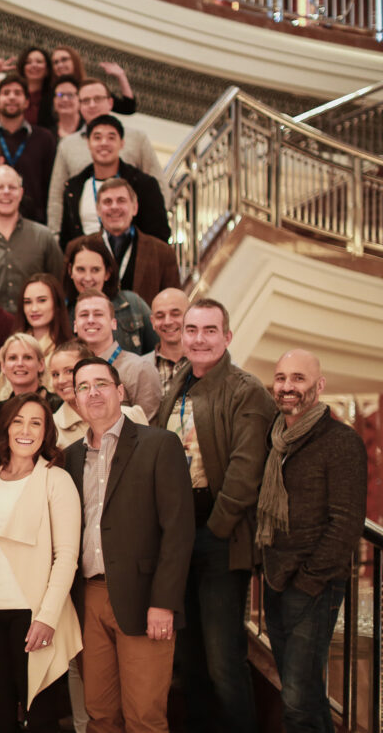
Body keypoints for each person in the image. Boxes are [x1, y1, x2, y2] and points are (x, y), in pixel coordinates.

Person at [153, 299, 276, 733]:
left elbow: (246, 471)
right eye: (191, 330)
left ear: (227, 337)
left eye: (209, 330)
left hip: (219, 537)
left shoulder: (246, 390)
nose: (199, 339)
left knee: (223, 659)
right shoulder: (179, 382)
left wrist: (216, 529)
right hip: (176, 538)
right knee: (189, 658)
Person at [64, 355, 193, 733]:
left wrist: (164, 602)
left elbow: (178, 531)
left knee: (144, 717)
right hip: (88, 598)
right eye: (83, 387)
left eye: (101, 384)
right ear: (75, 400)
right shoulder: (70, 457)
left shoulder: (159, 445)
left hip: (144, 598)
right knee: (100, 715)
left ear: (120, 391)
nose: (93, 393)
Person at [260, 349, 367, 733]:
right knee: (303, 694)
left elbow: (346, 524)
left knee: (297, 702)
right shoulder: (275, 438)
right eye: (281, 378)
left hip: (313, 586)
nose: (287, 386)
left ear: (319, 386)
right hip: (275, 577)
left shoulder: (341, 441)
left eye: (298, 378)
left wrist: (307, 581)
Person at [0, 393, 81, 733]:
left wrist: (47, 617)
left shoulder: (57, 480)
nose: (25, 430)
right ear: (6, 427)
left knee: (41, 719)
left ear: (46, 432)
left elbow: (66, 557)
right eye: (18, 421)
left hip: (33, 615)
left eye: (36, 423)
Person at [49, 95, 169, 234]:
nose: (104, 143)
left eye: (111, 137)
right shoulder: (74, 187)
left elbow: (159, 234)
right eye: (97, 137)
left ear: (122, 143)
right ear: (88, 144)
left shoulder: (144, 185)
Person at [0, 165, 62, 313]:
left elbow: (58, 287)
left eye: (12, 187)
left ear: (21, 194)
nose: (6, 192)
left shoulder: (43, 237)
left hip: (33, 324)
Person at [67, 179, 180, 306]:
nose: (114, 207)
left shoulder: (162, 252)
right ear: (98, 210)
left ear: (135, 208)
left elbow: (174, 303)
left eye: (121, 200)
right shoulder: (76, 248)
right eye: (107, 201)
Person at [72, 289, 161, 420]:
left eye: (98, 314)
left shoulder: (139, 369)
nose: (90, 320)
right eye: (84, 315)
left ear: (113, 323)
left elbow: (150, 427)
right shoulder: (70, 371)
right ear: (75, 325)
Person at [64, 234, 158, 354]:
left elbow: (157, 350)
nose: (88, 278)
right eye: (81, 269)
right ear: (70, 271)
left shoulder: (132, 304)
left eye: (95, 270)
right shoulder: (62, 311)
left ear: (107, 273)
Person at [48, 339, 147, 450]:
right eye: (55, 374)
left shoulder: (131, 414)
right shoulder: (51, 427)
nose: (61, 380)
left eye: (69, 371)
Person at [0, 74, 57, 224]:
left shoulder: (45, 138)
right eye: (6, 93)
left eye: (18, 93)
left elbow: (52, 185)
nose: (12, 97)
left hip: (35, 221)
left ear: (27, 102)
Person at [16, 273, 74, 382]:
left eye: (42, 300)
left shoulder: (71, 349)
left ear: (56, 304)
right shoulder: (12, 345)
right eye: (28, 302)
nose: (34, 309)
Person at [49, 46, 137, 115]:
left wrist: (121, 76)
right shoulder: (49, 90)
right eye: (55, 62)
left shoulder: (90, 88)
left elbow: (127, 108)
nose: (60, 65)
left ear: (75, 61)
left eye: (64, 60)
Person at [0, 333, 62, 414]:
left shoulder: (59, 406)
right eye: (13, 358)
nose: (20, 363)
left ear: (41, 365)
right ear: (3, 367)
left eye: (27, 357)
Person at [142, 287, 190, 396]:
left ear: (190, 315)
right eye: (160, 316)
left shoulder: (210, 361)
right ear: (152, 322)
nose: (167, 322)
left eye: (175, 314)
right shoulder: (139, 369)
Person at [16, 46, 55, 128]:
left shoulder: (54, 97)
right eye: (28, 62)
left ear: (47, 69)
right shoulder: (14, 94)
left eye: (39, 62)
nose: (34, 65)